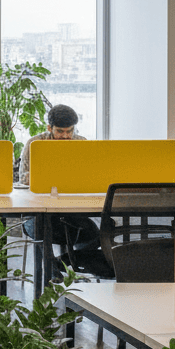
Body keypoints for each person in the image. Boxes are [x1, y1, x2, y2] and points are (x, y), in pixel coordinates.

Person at [18, 104, 108, 276]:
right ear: (49, 128)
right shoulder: (35, 144)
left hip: (72, 213)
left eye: (69, 131)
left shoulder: (81, 144)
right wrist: (44, 177)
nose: (65, 136)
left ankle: (59, 263)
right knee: (43, 230)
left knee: (98, 236)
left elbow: (91, 176)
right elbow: (22, 178)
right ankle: (52, 274)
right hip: (37, 213)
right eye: (60, 131)